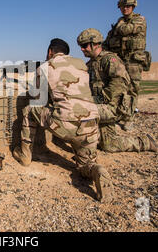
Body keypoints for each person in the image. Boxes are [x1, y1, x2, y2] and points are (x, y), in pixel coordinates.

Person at [12, 38, 114, 203]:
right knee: (83, 166)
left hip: (67, 125)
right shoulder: (81, 64)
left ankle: (25, 155)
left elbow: (37, 98)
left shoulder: (45, 67)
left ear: (50, 52)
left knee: (29, 110)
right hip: (91, 126)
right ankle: (97, 170)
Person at [77, 28, 158, 153]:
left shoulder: (110, 60)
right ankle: (144, 142)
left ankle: (84, 149)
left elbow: (117, 88)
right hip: (102, 106)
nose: (82, 49)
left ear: (95, 44)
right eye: (81, 46)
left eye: (84, 45)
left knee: (79, 110)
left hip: (113, 107)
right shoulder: (90, 64)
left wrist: (92, 100)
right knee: (109, 145)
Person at [103, 0, 151, 131]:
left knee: (132, 89)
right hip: (121, 60)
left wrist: (117, 29)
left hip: (134, 60)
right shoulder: (120, 22)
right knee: (118, 87)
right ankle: (119, 113)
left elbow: (125, 30)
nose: (125, 8)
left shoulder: (139, 20)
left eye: (128, 6)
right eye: (123, 6)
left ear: (133, 7)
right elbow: (109, 39)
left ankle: (129, 118)